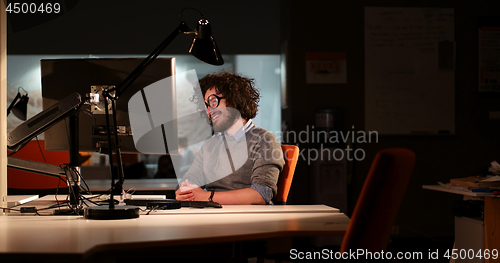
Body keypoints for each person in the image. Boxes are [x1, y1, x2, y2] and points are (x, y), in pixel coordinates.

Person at [175, 71, 284, 205]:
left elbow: (260, 195)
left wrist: (206, 196)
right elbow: (187, 182)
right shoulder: (211, 143)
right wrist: (183, 192)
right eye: (206, 105)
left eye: (213, 101)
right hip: (211, 217)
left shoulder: (264, 140)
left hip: (248, 220)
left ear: (235, 100)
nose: (209, 111)